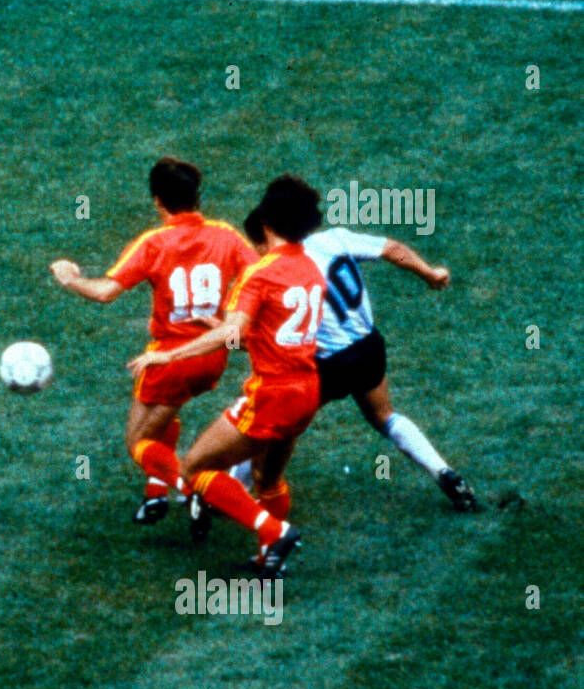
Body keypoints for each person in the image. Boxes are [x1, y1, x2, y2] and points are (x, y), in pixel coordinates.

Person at [127, 175, 327, 577]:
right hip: (308, 391)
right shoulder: (310, 270)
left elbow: (229, 334)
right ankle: (269, 556)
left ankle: (275, 531)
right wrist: (225, 327)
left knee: (194, 469)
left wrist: (170, 356)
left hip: (271, 394)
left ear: (267, 222)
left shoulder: (262, 274)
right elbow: (266, 333)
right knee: (267, 479)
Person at [50, 157, 257, 526]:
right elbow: (260, 278)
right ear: (197, 197)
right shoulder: (226, 235)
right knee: (168, 414)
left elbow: (105, 292)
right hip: (213, 355)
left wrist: (69, 278)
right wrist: (223, 318)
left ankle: (189, 486)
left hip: (171, 358)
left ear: (158, 201)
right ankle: (155, 495)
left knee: (138, 443)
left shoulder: (155, 242)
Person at [245, 217, 476, 510]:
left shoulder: (278, 271)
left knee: (272, 422)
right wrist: (429, 273)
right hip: (368, 348)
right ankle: (443, 472)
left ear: (269, 240)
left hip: (327, 364)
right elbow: (393, 249)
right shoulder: (334, 239)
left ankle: (228, 491)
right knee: (385, 416)